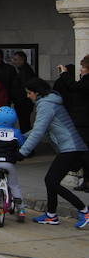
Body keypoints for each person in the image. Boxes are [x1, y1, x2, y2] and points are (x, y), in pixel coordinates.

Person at [19, 78, 89, 229]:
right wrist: (20, 137)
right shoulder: (49, 102)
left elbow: (38, 132)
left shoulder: (46, 105)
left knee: (51, 181)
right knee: (51, 180)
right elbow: (41, 130)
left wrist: (22, 152)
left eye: (29, 93)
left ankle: (84, 210)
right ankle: (51, 215)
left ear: (37, 93)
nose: (28, 96)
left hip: (71, 148)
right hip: (70, 147)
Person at [54, 56, 89, 191]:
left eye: (84, 67)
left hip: (84, 122)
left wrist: (64, 73)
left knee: (83, 154)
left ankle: (86, 180)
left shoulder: (86, 82)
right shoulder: (84, 81)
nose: (81, 70)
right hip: (82, 121)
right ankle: (86, 180)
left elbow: (73, 86)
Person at [11, 51, 36, 132]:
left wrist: (17, 99)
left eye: (15, 59)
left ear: (22, 60)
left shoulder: (25, 72)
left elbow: (24, 88)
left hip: (23, 103)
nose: (14, 62)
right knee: (24, 124)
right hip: (22, 103)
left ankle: (26, 143)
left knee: (24, 124)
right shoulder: (23, 70)